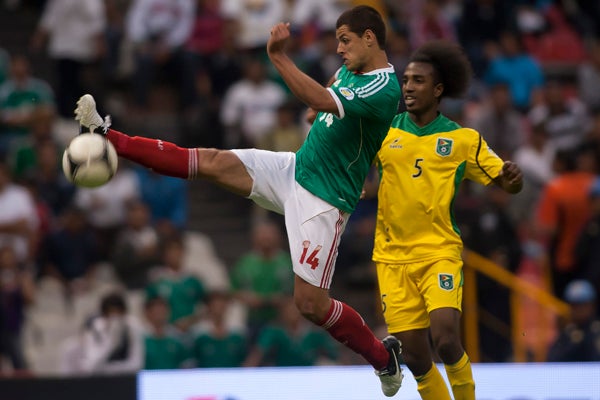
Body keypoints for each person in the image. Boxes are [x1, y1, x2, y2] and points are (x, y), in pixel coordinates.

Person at [74, 5, 403, 396]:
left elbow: (325, 96)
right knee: (211, 161)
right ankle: (107, 135)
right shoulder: (352, 68)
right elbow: (331, 91)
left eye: (345, 41)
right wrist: (320, 109)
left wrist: (280, 58)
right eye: (337, 41)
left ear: (370, 38)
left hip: (324, 202)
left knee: (310, 305)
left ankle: (383, 358)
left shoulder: (385, 87)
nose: (339, 49)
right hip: (295, 168)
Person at [372, 40, 523, 400]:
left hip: (438, 251)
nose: (408, 87)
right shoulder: (383, 131)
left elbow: (505, 181)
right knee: (415, 356)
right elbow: (349, 160)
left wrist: (513, 179)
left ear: (438, 89)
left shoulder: (462, 139)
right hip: (392, 257)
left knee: (445, 338)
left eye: (418, 80)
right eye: (406, 80)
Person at [547, 279, 600, 362]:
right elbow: (552, 359)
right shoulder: (568, 331)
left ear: (591, 305)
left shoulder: (596, 330)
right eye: (574, 305)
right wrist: (574, 343)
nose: (578, 310)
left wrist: (584, 340)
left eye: (582, 305)